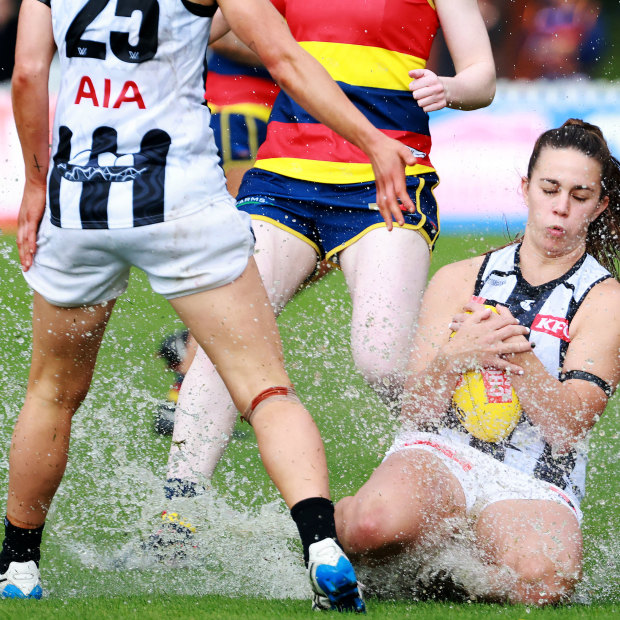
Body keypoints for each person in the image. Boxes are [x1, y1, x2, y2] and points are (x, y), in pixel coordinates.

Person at [1, 0, 421, 609]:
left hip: (78, 202)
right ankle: (324, 549)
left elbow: (28, 75)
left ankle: (18, 566)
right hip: (180, 203)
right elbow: (282, 57)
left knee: (50, 392)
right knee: (266, 390)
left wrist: (35, 185)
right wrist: (372, 141)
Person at [160, 0, 496, 514]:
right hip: (282, 178)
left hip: (387, 179)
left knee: (381, 361)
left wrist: (449, 87)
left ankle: (470, 458)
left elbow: (483, 78)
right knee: (225, 342)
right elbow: (189, 29)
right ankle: (174, 523)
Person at [335, 119, 620, 605]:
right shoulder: (460, 277)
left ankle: (453, 578)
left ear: (599, 206)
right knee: (366, 528)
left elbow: (569, 428)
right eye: (549, 188)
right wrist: (454, 359)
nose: (561, 207)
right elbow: (415, 411)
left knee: (542, 582)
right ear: (525, 188)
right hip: (440, 452)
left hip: (535, 480)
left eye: (579, 195)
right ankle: (337, 522)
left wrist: (517, 357)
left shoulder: (605, 300)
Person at [154, 35, 278, 434]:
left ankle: (193, 340)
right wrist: (302, 51)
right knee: (249, 248)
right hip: (240, 109)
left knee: (287, 255)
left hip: (281, 109)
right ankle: (187, 389)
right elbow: (219, 29)